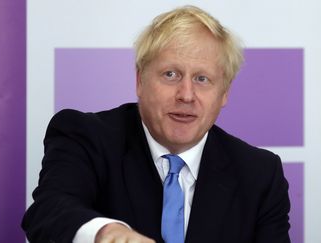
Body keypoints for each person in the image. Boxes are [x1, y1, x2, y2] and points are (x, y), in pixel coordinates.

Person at [22, 5, 291, 243]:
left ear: (224, 93)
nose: (186, 95)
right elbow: (48, 211)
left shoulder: (259, 174)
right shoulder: (86, 136)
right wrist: (104, 233)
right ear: (140, 81)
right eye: (170, 74)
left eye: (202, 79)